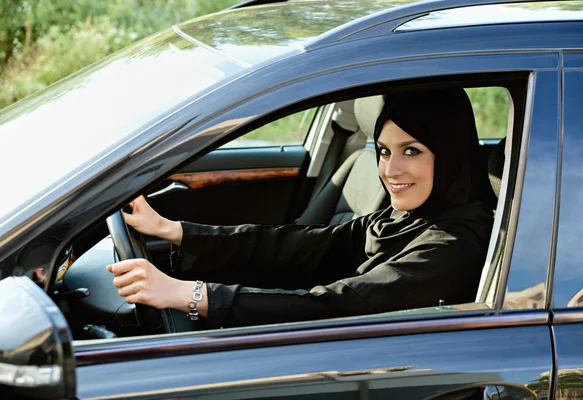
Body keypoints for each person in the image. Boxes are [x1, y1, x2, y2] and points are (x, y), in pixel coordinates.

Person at [107, 88, 494, 329]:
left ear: (450, 156)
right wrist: (174, 230)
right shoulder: (405, 218)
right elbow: (301, 243)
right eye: (383, 151)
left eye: (412, 151)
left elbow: (337, 305)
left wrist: (188, 295)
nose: (391, 170)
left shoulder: (452, 245)